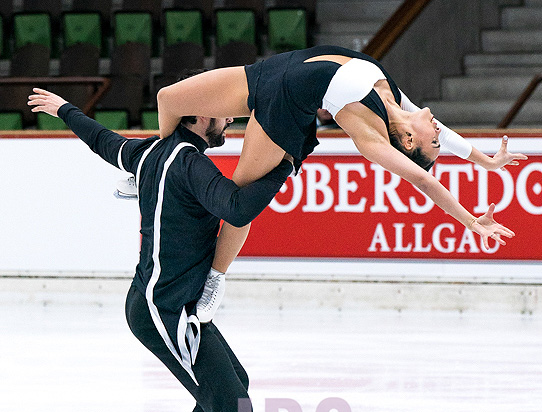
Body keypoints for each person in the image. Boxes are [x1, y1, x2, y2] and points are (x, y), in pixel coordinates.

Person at [27, 84, 293, 412]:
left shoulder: (149, 152)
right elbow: (235, 208)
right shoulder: (188, 162)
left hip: (168, 307)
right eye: (222, 116)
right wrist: (282, 165)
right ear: (196, 116)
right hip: (163, 308)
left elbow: (100, 139)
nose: (228, 122)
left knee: (232, 393)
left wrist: (64, 109)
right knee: (234, 410)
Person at [157, 45, 525, 317]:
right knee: (169, 99)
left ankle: (214, 280)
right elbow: (443, 134)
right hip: (270, 71)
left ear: (409, 143)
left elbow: (425, 182)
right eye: (437, 138)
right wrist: (486, 162)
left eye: (433, 140)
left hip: (282, 109)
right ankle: (154, 167)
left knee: (238, 203)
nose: (437, 129)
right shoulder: (399, 103)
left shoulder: (372, 138)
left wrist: (471, 221)